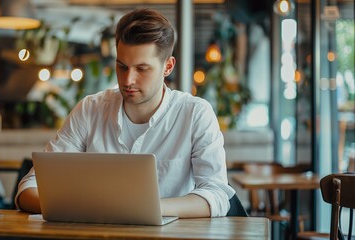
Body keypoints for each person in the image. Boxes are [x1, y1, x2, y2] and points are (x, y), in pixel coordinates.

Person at [16, 8, 235, 218]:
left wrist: (144, 208)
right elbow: (29, 188)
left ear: (168, 66)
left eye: (142, 69)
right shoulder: (90, 110)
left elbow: (216, 196)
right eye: (122, 66)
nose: (128, 80)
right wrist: (83, 209)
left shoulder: (195, 114)